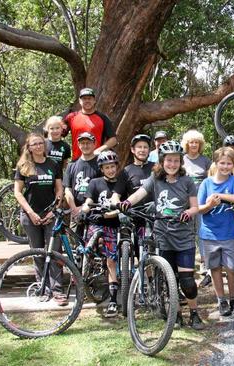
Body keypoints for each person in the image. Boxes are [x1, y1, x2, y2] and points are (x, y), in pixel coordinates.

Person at [118, 141, 203, 330]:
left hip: (183, 236)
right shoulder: (154, 179)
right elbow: (139, 193)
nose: (172, 164)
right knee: (169, 278)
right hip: (163, 235)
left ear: (180, 162)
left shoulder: (187, 182)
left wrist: (189, 213)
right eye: (168, 160)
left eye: (176, 161)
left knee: (187, 281)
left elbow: (195, 207)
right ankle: (177, 314)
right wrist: (127, 203)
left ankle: (195, 313)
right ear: (162, 161)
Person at [13, 132, 67, 306]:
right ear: (29, 147)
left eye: (40, 143)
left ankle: (58, 290)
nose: (38, 146)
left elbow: (59, 189)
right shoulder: (23, 166)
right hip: (30, 215)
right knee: (37, 252)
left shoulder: (53, 164)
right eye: (34, 144)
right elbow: (17, 193)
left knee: (55, 251)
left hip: (51, 215)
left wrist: (55, 209)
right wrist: (31, 213)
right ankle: (42, 288)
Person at [197, 147, 234, 316]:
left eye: (229, 163)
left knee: (231, 268)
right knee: (215, 268)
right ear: (216, 164)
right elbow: (199, 208)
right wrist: (210, 205)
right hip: (209, 233)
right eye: (222, 163)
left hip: (229, 232)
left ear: (233, 165)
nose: (225, 166)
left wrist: (220, 197)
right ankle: (221, 300)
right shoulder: (206, 183)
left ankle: (233, 298)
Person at [81, 150, 126, 318]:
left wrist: (111, 214)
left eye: (112, 166)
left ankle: (113, 299)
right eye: (107, 167)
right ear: (102, 168)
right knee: (92, 240)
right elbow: (88, 201)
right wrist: (84, 209)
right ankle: (88, 263)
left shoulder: (121, 184)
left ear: (116, 167)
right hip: (95, 222)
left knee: (111, 260)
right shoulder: (95, 183)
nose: (110, 170)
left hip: (112, 225)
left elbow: (123, 205)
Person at [180, 129, 212, 286]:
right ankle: (187, 268)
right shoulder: (181, 160)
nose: (194, 145)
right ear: (187, 144)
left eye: (197, 142)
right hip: (184, 204)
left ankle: (206, 270)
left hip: (201, 203)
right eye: (191, 142)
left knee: (202, 235)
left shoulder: (206, 161)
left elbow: (211, 181)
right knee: (186, 235)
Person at [62, 87, 117, 161]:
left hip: (96, 161)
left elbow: (113, 140)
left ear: (94, 101)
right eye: (84, 99)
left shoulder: (103, 118)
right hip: (76, 161)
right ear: (80, 101)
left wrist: (99, 150)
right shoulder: (71, 117)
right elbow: (59, 133)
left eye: (89, 98)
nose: (87, 101)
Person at [63, 132, 101, 236]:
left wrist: (85, 207)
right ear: (79, 145)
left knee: (95, 245)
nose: (85, 146)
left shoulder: (100, 164)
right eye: (82, 143)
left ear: (94, 144)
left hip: (95, 211)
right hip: (76, 212)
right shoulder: (72, 165)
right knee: (76, 245)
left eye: (88, 143)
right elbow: (67, 189)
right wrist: (74, 208)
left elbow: (103, 188)